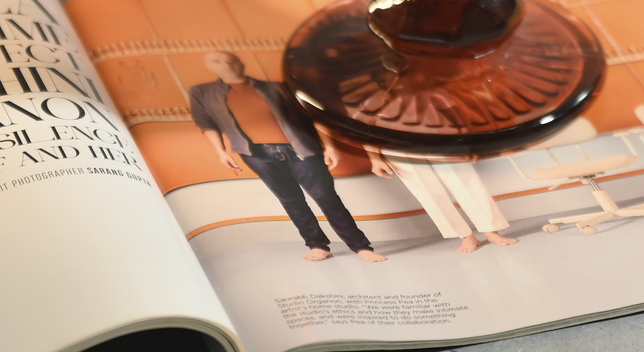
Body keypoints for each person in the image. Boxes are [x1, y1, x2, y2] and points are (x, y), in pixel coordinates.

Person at [190, 51, 386, 264]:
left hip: (300, 149)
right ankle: (318, 246)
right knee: (291, 201)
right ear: (209, 67)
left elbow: (314, 117)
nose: (226, 64)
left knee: (326, 197)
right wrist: (221, 151)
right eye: (216, 61)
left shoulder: (277, 88)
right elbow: (206, 124)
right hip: (256, 154)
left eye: (231, 59)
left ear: (240, 63)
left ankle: (361, 247)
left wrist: (329, 147)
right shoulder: (201, 93)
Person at [368, 150, 518, 254]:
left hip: (433, 131)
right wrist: (375, 158)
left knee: (465, 181)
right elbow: (362, 125)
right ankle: (465, 237)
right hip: (392, 143)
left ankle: (491, 231)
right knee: (428, 193)